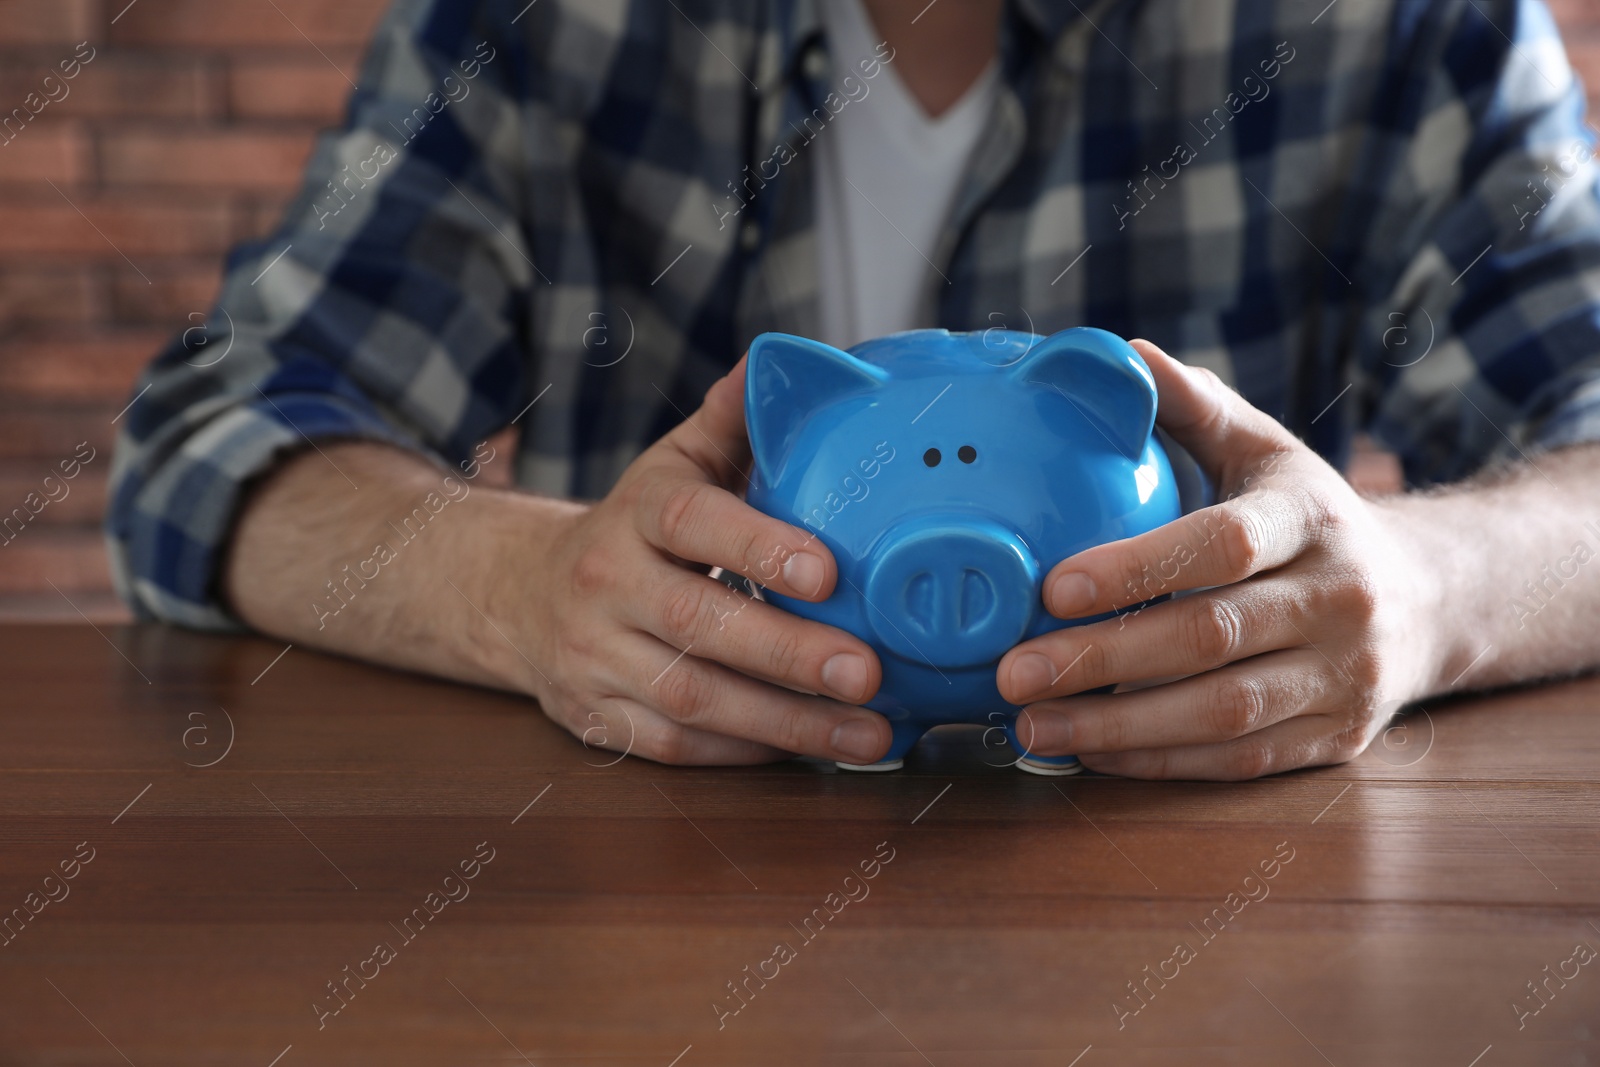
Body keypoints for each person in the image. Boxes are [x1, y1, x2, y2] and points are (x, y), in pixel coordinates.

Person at [107, 0, 1600, 779]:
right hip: (651, 917)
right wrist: (532, 588)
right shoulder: (544, 17)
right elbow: (204, 448)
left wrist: (1417, 592)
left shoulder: (1401, 17)